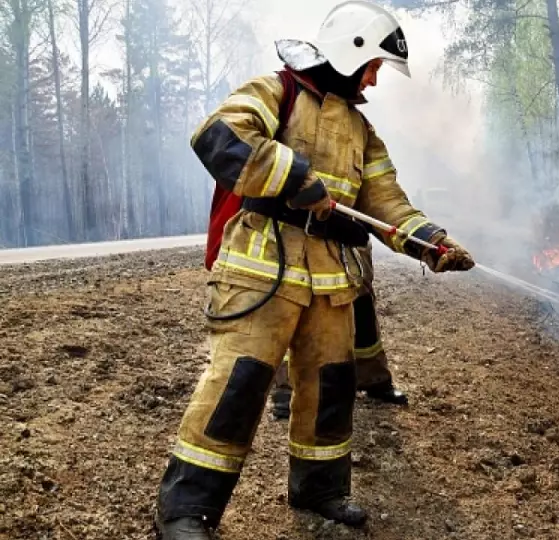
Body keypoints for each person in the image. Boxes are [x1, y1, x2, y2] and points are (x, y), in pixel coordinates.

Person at [153, 2, 474, 538]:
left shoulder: (361, 130)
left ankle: (319, 489)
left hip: (330, 282)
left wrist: (430, 242)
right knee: (238, 388)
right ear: (350, 50)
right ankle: (186, 511)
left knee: (330, 389)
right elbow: (218, 135)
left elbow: (386, 203)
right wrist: (293, 176)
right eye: (373, 64)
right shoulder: (275, 91)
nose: (375, 78)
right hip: (261, 273)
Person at [271, 240, 407, 423]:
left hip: (347, 232)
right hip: (296, 233)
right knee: (295, 300)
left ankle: (373, 377)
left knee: (361, 300)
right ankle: (289, 388)